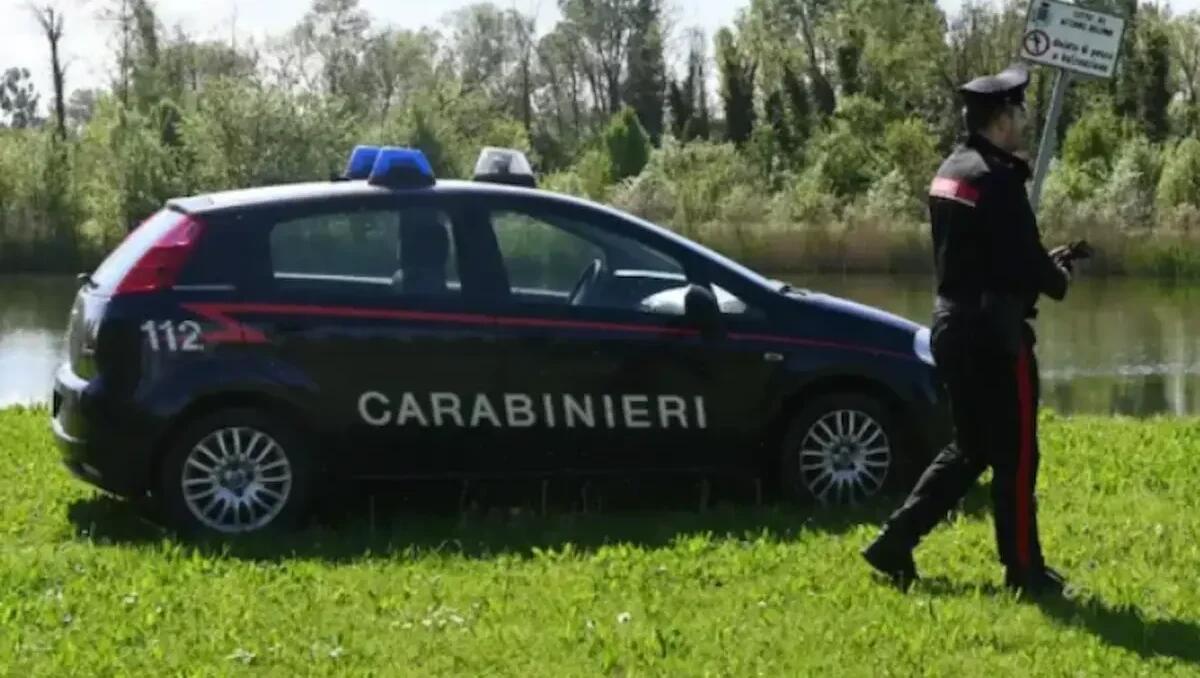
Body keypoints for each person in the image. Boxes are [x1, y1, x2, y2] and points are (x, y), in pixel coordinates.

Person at [860, 64, 1083, 597]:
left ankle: (895, 542)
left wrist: (1033, 266)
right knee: (1018, 454)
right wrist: (1059, 272)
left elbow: (985, 254)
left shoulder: (950, 170)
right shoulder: (999, 180)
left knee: (972, 448)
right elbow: (1035, 271)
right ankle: (1024, 570)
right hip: (995, 335)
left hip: (951, 324)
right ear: (1002, 118)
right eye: (1020, 110)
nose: (1025, 119)